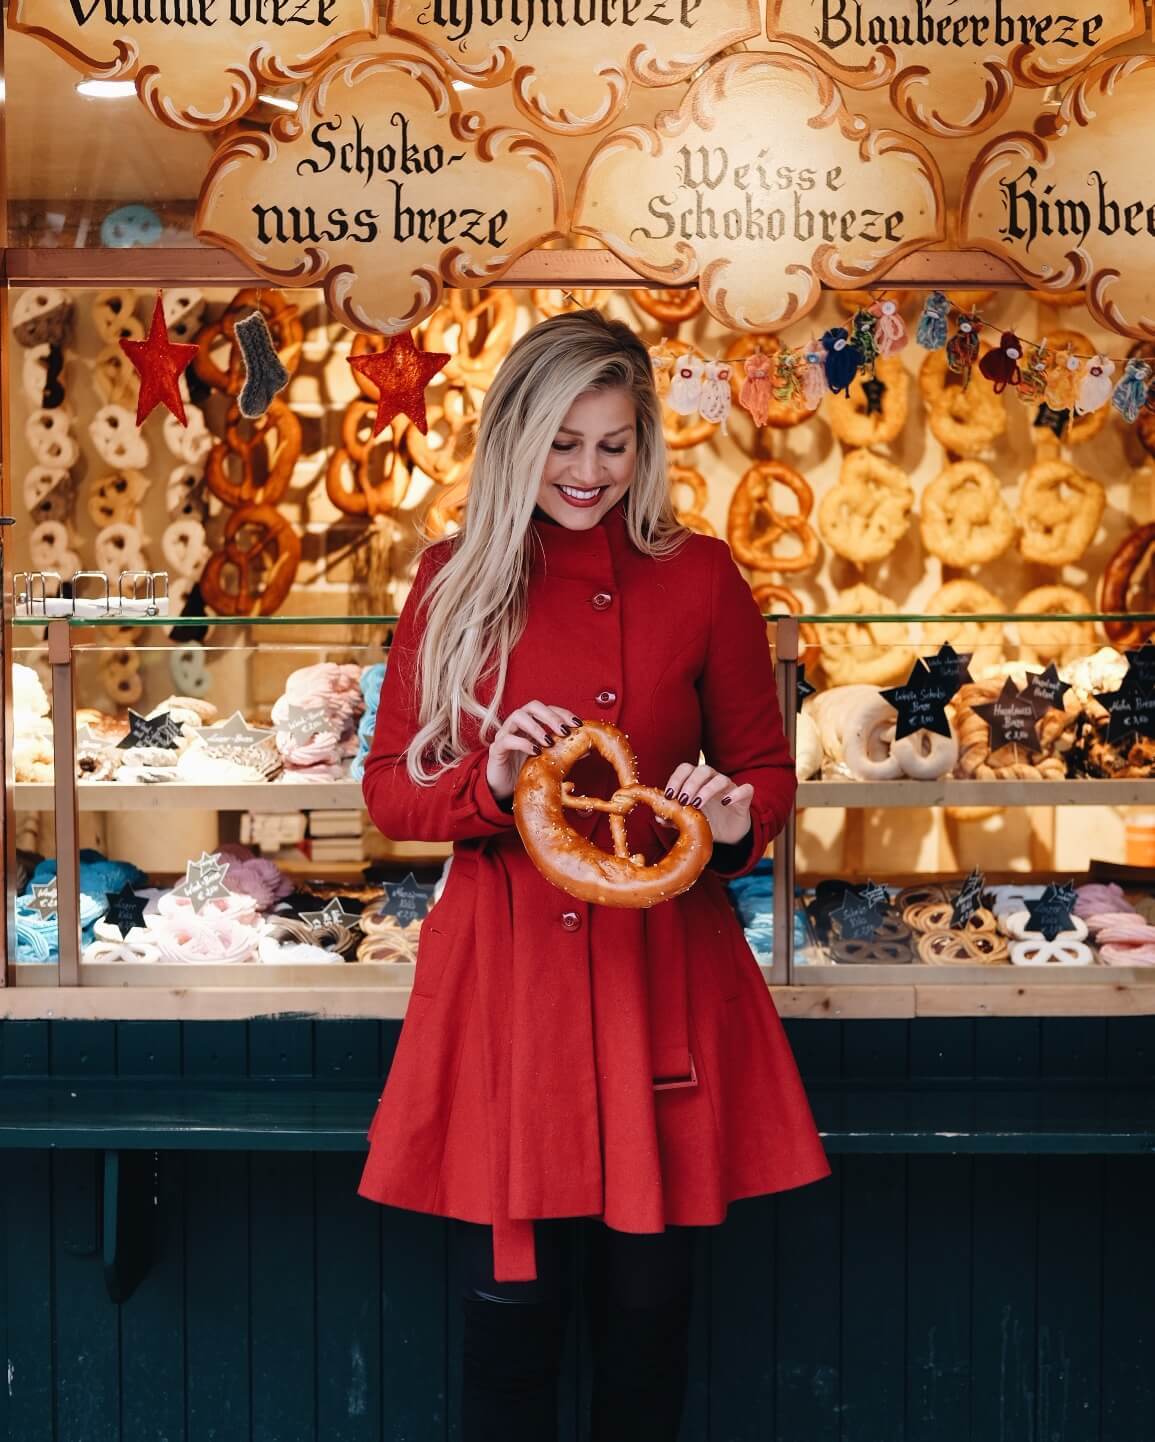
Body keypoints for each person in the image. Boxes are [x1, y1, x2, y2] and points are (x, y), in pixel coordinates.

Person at [357, 309, 831, 1441]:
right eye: (563, 443)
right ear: (517, 437)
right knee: (509, 1319)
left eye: (613, 443)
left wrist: (728, 818)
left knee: (646, 1316)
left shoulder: (701, 576)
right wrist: (490, 777)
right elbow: (387, 790)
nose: (588, 472)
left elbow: (765, 769)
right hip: (509, 971)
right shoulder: (451, 578)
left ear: (647, 442)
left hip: (656, 961)